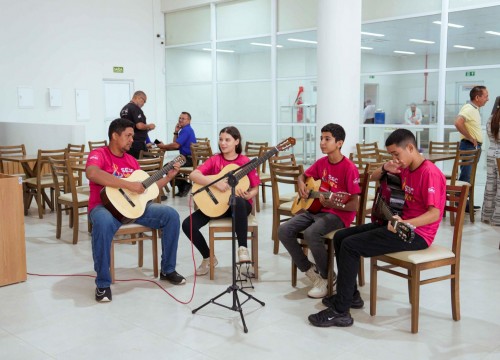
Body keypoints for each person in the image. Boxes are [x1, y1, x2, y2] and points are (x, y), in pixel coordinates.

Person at [307, 129, 446, 328]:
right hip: (395, 225)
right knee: (340, 237)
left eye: (396, 154)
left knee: (350, 246)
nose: (395, 158)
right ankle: (351, 295)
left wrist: (406, 223)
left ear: (410, 147)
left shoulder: (429, 172)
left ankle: (341, 311)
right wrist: (385, 166)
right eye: (391, 155)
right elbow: (372, 177)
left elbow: (434, 214)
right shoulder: (404, 167)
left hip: (415, 234)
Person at [86, 118, 186, 302]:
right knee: (102, 222)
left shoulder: (132, 160)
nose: (132, 139)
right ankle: (102, 284)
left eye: (132, 135)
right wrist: (129, 185)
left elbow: (146, 190)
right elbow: (92, 173)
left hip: (134, 209)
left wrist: (169, 176)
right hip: (103, 207)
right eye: (128, 135)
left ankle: (168, 269)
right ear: (115, 136)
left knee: (171, 215)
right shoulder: (99, 154)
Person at [279, 123, 360, 299]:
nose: (322, 142)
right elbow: (303, 176)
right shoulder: (321, 162)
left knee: (311, 233)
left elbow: (354, 205)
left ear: (339, 143)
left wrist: (333, 203)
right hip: (315, 209)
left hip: (338, 214)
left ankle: (328, 277)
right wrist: (301, 184)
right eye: (321, 138)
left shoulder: (349, 168)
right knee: (284, 230)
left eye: (327, 139)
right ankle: (311, 272)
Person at [181, 126, 260, 275]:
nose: (223, 143)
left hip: (240, 206)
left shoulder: (245, 161)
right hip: (218, 206)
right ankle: (208, 257)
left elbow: (255, 187)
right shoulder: (215, 159)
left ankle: (242, 249)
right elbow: (193, 175)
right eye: (221, 139)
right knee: (187, 225)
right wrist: (216, 183)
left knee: (238, 202)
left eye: (227, 140)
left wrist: (250, 195)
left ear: (236, 141)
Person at [454, 85, 488, 212]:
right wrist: (470, 138)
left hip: (473, 147)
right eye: (486, 96)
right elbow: (458, 122)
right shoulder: (468, 108)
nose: (487, 99)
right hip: (469, 146)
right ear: (477, 97)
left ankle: (466, 203)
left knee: (469, 176)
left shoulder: (474, 109)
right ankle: (461, 204)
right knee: (466, 175)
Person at [157, 112, 197, 197]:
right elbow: (176, 144)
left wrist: (163, 146)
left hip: (188, 159)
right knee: (168, 166)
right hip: (185, 158)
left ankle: (184, 185)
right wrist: (176, 132)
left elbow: (176, 145)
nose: (180, 120)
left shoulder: (186, 130)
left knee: (168, 167)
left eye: (183, 118)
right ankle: (183, 186)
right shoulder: (184, 130)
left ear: (189, 120)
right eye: (179, 118)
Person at [120, 91, 156, 159]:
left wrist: (146, 129)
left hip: (127, 142)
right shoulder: (135, 108)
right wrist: (149, 126)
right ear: (138, 98)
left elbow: (131, 126)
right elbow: (139, 126)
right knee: (148, 164)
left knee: (131, 163)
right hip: (137, 143)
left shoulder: (124, 109)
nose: (143, 104)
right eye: (144, 101)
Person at [481, 96, 500, 226]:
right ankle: (497, 218)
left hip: (491, 152)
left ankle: (486, 216)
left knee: (490, 185)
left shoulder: (490, 119)